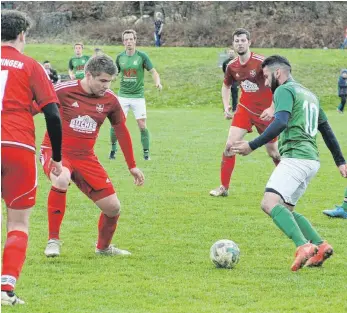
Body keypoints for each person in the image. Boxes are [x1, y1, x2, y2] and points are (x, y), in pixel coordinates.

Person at [232, 55, 347, 271]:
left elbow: (281, 121)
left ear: (278, 73)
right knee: (286, 209)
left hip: (295, 156)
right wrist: (340, 161)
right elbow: (326, 129)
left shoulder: (284, 90)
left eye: (266, 77)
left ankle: (303, 245)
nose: (265, 83)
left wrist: (252, 145)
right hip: (311, 160)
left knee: (269, 203)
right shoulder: (310, 95)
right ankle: (320, 246)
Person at [39, 54, 145, 259]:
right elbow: (32, 109)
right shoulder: (63, 91)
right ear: (88, 75)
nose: (107, 86)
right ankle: (53, 240)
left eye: (110, 81)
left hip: (86, 157)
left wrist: (132, 165)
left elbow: (121, 130)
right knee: (61, 178)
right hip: (55, 152)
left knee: (113, 208)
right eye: (103, 81)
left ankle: (103, 248)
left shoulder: (110, 100)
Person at [1, 10, 63, 305]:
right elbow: (52, 111)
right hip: (18, 147)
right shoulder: (30, 65)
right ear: (22, 35)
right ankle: (5, 290)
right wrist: (58, 158)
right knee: (18, 224)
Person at [210, 28, 280, 197]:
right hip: (245, 110)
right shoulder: (231, 66)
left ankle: (288, 183)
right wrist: (226, 105)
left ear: (249, 42)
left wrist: (272, 108)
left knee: (273, 152)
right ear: (233, 44)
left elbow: (278, 85)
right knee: (229, 146)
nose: (239, 43)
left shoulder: (262, 63)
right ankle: (224, 188)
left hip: (265, 113)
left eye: (242, 40)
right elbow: (226, 86)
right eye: (236, 41)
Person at [109, 29, 162, 161]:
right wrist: (108, 84)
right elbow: (113, 75)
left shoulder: (142, 56)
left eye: (131, 39)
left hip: (138, 97)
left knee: (142, 125)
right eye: (126, 39)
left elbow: (153, 72)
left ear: (135, 40)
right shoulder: (120, 57)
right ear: (123, 42)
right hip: (123, 97)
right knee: (116, 124)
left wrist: (158, 83)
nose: (128, 42)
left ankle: (146, 154)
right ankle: (113, 150)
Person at [222, 48, 239, 112]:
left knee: (235, 96)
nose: (231, 54)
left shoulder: (237, 61)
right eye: (230, 52)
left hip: (235, 81)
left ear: (234, 53)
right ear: (228, 53)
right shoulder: (225, 62)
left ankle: (234, 109)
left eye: (232, 52)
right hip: (228, 81)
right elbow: (224, 70)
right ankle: (226, 108)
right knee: (226, 95)